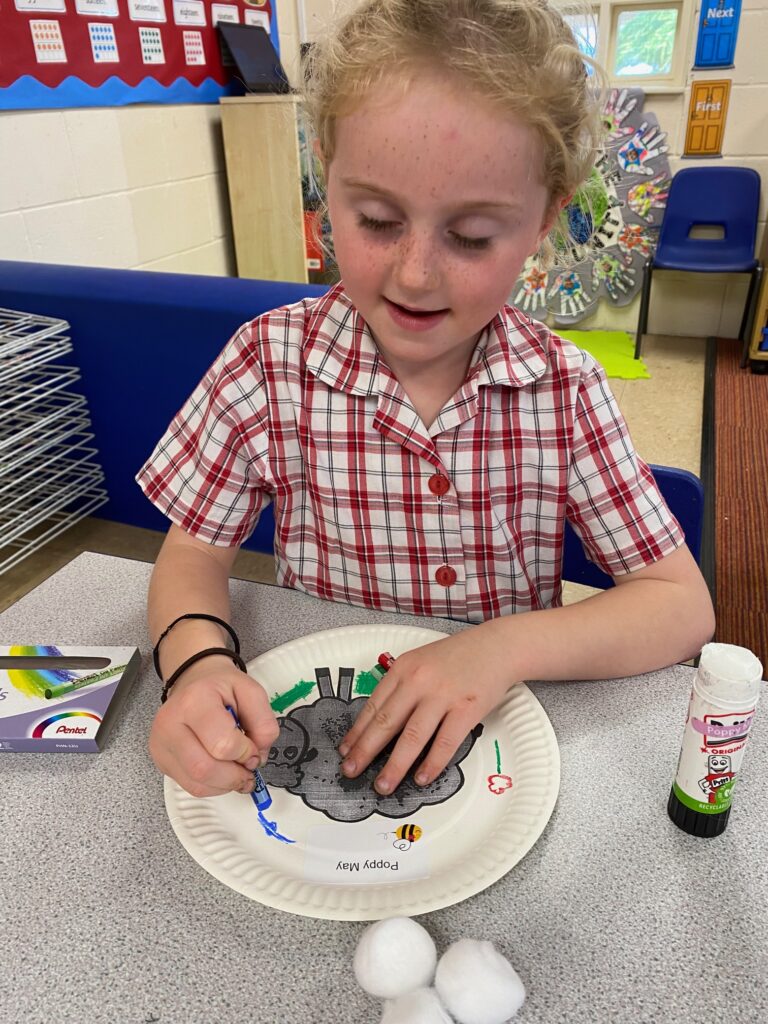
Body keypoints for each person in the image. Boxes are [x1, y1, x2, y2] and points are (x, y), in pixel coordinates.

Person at [137, 0, 714, 801]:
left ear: (545, 217)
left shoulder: (564, 388)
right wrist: (197, 663)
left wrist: (501, 649)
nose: (414, 273)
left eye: (472, 236)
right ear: (324, 173)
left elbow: (680, 608)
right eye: (376, 219)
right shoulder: (269, 363)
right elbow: (193, 556)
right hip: (324, 729)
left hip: (500, 755)